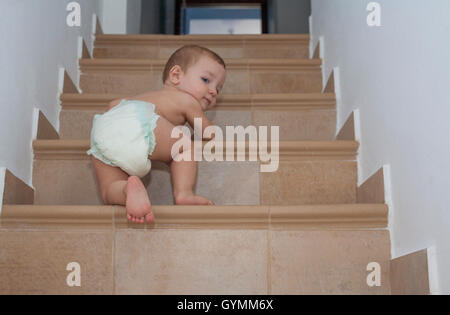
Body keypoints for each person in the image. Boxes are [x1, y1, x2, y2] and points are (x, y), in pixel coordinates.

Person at [87, 45, 227, 224]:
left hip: (105, 126)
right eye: (206, 80)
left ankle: (125, 190)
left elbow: (114, 106)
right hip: (140, 122)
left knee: (108, 191)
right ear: (176, 75)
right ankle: (184, 194)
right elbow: (207, 133)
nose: (213, 91)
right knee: (182, 147)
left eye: (218, 89)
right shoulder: (187, 100)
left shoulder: (148, 98)